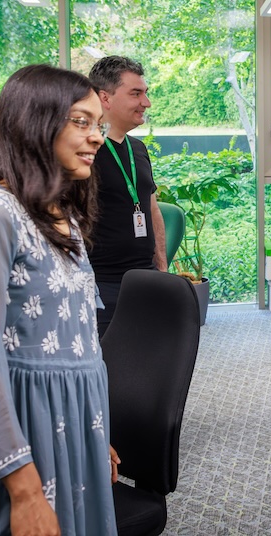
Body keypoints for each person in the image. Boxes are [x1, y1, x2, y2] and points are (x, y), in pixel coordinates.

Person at [0, 64, 119, 534]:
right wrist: (22, 486)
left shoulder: (65, 217)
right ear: (35, 123)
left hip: (71, 423)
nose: (96, 137)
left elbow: (78, 337)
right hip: (18, 434)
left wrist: (93, 430)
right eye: (81, 122)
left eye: (98, 124)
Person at [88, 56, 166, 337]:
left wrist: (161, 266)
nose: (146, 102)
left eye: (146, 93)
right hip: (102, 284)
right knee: (110, 373)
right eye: (136, 93)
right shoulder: (86, 152)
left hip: (146, 278)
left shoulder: (138, 149)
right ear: (104, 98)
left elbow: (151, 209)